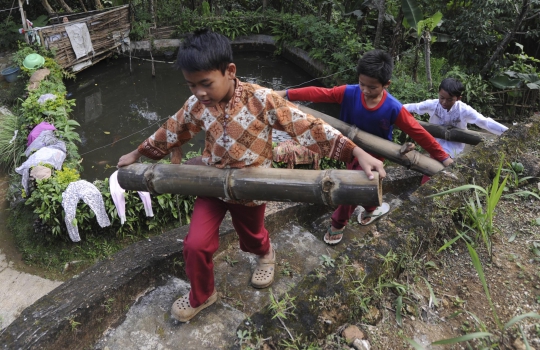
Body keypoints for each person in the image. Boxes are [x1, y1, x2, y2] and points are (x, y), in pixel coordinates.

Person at [117, 29, 385, 323]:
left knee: (252, 238)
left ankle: (266, 254)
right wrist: (137, 153)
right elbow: (173, 129)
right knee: (195, 244)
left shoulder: (262, 99)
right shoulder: (197, 106)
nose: (199, 93)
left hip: (252, 187)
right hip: (210, 181)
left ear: (230, 71)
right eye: (192, 85)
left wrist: (356, 152)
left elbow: (307, 126)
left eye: (206, 84)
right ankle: (202, 295)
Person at [275, 49, 453, 245]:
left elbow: (418, 132)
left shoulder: (393, 108)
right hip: (348, 148)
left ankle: (337, 224)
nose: (366, 90)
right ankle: (371, 208)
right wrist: (286, 93)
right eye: (362, 84)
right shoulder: (350, 92)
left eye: (372, 87)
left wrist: (443, 157)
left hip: (375, 155)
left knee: (352, 186)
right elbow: (320, 93)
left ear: (386, 84)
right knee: (362, 184)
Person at [404, 77, 508, 163]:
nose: (444, 102)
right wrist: (392, 110)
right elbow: (414, 107)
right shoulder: (433, 105)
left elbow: (484, 122)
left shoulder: (464, 110)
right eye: (441, 98)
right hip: (434, 143)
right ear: (438, 93)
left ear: (458, 98)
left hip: (454, 148)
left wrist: (507, 132)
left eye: (449, 100)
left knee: (442, 169)